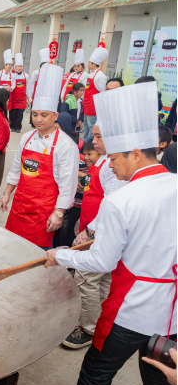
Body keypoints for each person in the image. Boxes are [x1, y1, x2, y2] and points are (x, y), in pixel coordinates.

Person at [45, 81, 177, 385]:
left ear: (134, 153)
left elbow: (103, 260)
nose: (111, 165)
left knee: (95, 374)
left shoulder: (122, 199)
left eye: (114, 158)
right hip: (171, 312)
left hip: (133, 308)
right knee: (158, 376)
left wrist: (59, 254)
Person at [63, 123, 128, 349]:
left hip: (100, 233)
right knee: (102, 281)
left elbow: (112, 204)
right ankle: (101, 323)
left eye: (99, 137)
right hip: (93, 227)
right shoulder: (103, 162)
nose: (94, 141)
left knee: (85, 278)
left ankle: (88, 329)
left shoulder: (113, 167)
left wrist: (89, 232)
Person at [0, 64, 79, 249]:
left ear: (56, 115)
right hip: (20, 207)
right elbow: (15, 170)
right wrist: (7, 194)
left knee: (36, 257)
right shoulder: (27, 138)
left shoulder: (66, 145)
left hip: (44, 212)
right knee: (13, 249)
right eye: (35, 114)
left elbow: (68, 184)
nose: (38, 119)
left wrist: (58, 213)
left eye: (44, 115)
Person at [81, 47, 109, 141]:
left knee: (91, 127)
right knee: (86, 126)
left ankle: (90, 144)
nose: (88, 64)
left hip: (93, 107)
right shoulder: (90, 75)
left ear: (93, 64)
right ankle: (84, 144)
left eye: (89, 62)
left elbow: (101, 93)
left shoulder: (101, 76)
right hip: (87, 105)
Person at [9, 53, 30, 133]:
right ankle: (12, 126)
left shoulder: (26, 76)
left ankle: (18, 127)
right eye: (18, 66)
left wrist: (29, 96)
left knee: (20, 114)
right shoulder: (12, 75)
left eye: (21, 66)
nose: (20, 68)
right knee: (12, 113)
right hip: (13, 97)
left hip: (22, 98)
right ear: (15, 67)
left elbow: (28, 87)